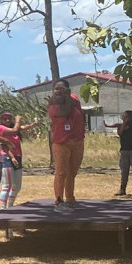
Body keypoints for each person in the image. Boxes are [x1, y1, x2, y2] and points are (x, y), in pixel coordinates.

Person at [48, 79, 85, 212]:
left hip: (78, 141)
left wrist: (65, 97)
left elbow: (73, 102)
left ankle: (70, 199)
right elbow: (64, 111)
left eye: (61, 88)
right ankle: (59, 201)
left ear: (68, 90)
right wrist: (61, 99)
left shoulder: (73, 98)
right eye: (56, 89)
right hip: (61, 143)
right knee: (61, 172)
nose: (58, 91)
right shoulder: (53, 107)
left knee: (72, 172)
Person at [0, 112, 37, 208]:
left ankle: (10, 206)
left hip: (18, 157)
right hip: (7, 157)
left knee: (17, 186)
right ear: (1, 120)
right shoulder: (0, 128)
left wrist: (32, 125)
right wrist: (18, 120)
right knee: (7, 186)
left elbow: (21, 128)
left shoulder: (14, 128)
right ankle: (3, 208)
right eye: (5, 119)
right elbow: (14, 131)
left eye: (9, 118)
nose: (7, 120)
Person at [105, 110, 132, 196]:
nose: (122, 117)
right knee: (124, 171)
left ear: (128, 117)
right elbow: (120, 133)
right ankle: (122, 189)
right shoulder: (122, 125)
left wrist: (124, 123)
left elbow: (124, 128)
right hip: (124, 151)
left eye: (124, 116)